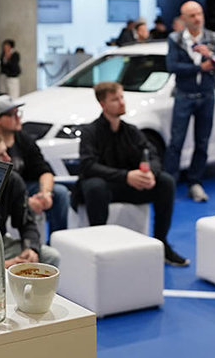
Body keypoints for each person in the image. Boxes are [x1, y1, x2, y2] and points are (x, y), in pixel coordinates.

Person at [78, 82, 189, 267]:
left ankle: (162, 243)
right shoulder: (90, 132)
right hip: (105, 187)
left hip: (128, 186)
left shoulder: (131, 131)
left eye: (122, 97)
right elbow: (88, 166)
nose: (121, 103)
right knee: (95, 186)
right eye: (115, 99)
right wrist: (126, 176)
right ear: (102, 104)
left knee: (166, 182)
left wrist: (150, 174)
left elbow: (152, 155)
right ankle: (97, 245)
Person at [164, 0, 215, 202]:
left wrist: (210, 56)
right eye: (192, 15)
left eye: (199, 14)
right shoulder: (175, 39)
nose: (197, 18)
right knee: (176, 141)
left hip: (207, 95)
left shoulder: (213, 38)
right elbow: (172, 66)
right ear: (184, 18)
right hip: (184, 95)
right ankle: (168, 184)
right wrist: (198, 68)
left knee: (202, 142)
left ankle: (195, 182)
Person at [0, 132, 60, 267]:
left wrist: (30, 248)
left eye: (6, 152)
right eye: (0, 156)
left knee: (50, 257)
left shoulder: (12, 180)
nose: (8, 158)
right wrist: (2, 265)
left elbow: (26, 223)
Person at [0, 95, 70, 237]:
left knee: (60, 193)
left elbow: (44, 170)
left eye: (18, 113)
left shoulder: (24, 139)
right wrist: (23, 200)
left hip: (26, 186)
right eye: (12, 115)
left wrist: (45, 193)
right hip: (1, 192)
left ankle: (58, 239)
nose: (18, 118)